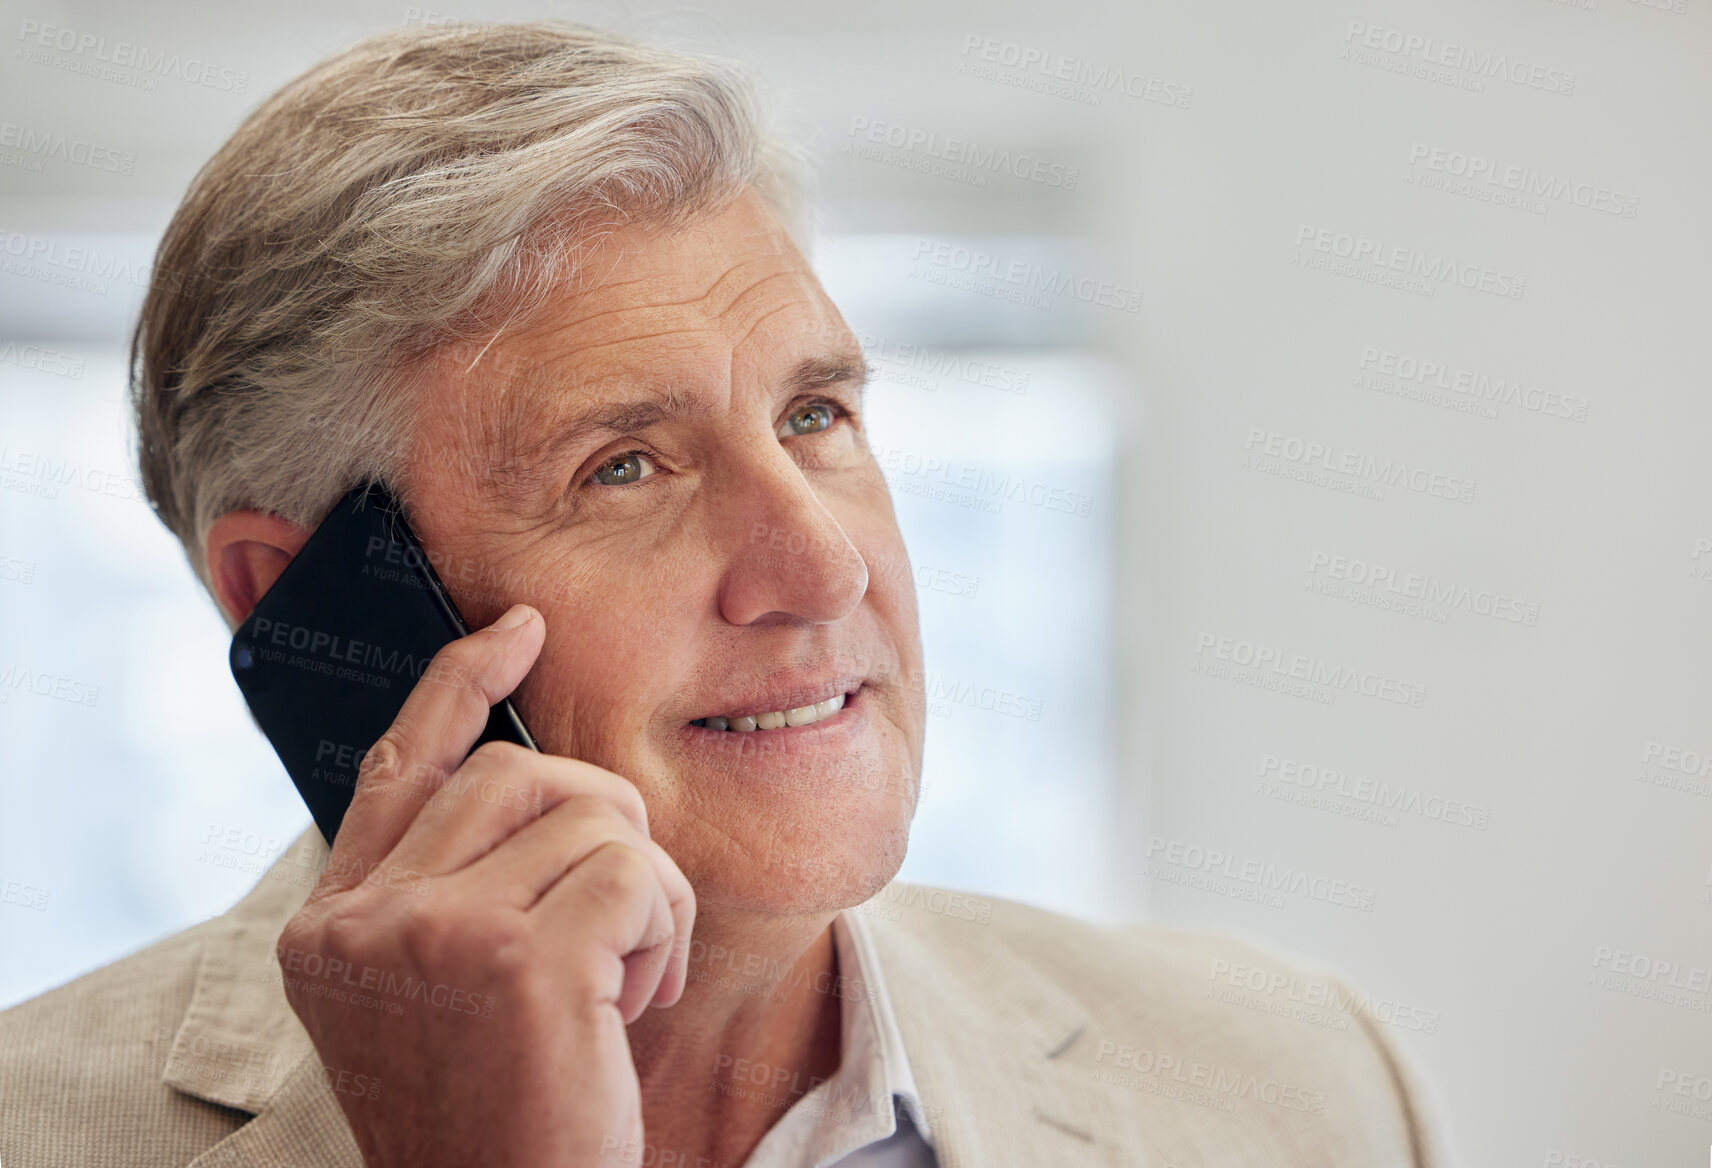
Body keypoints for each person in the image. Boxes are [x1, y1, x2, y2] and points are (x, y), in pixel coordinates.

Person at [0, 22, 1441, 1167]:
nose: (824, 567)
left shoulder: (1297, 1087)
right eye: (625, 467)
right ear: (303, 599)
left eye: (817, 416)